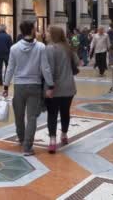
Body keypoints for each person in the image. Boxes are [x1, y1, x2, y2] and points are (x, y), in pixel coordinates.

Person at [2, 21, 54, 156]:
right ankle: (27, 147)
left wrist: (6, 85)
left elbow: (10, 68)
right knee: (31, 117)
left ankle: (21, 138)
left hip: (19, 86)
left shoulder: (14, 48)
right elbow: (45, 68)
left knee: (19, 116)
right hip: (35, 86)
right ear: (31, 30)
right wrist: (50, 84)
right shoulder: (41, 47)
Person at [45, 26, 78, 154]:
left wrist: (49, 87)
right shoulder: (67, 47)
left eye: (48, 31)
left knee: (52, 114)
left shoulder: (50, 48)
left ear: (53, 34)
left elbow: (50, 70)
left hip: (55, 87)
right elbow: (77, 62)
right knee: (65, 112)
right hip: (69, 87)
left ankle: (52, 141)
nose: (46, 33)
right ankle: (64, 135)